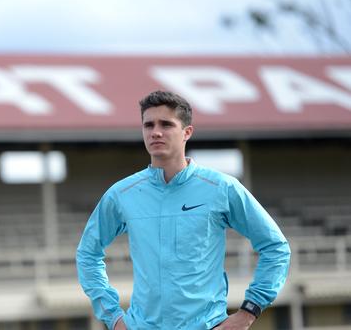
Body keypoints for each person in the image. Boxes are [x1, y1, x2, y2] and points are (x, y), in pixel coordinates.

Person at [76, 90, 291, 330]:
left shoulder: (221, 188)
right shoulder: (122, 194)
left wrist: (248, 312)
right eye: (149, 125)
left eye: (166, 124)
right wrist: (113, 317)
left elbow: (275, 247)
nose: (155, 132)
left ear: (187, 132)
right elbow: (87, 253)